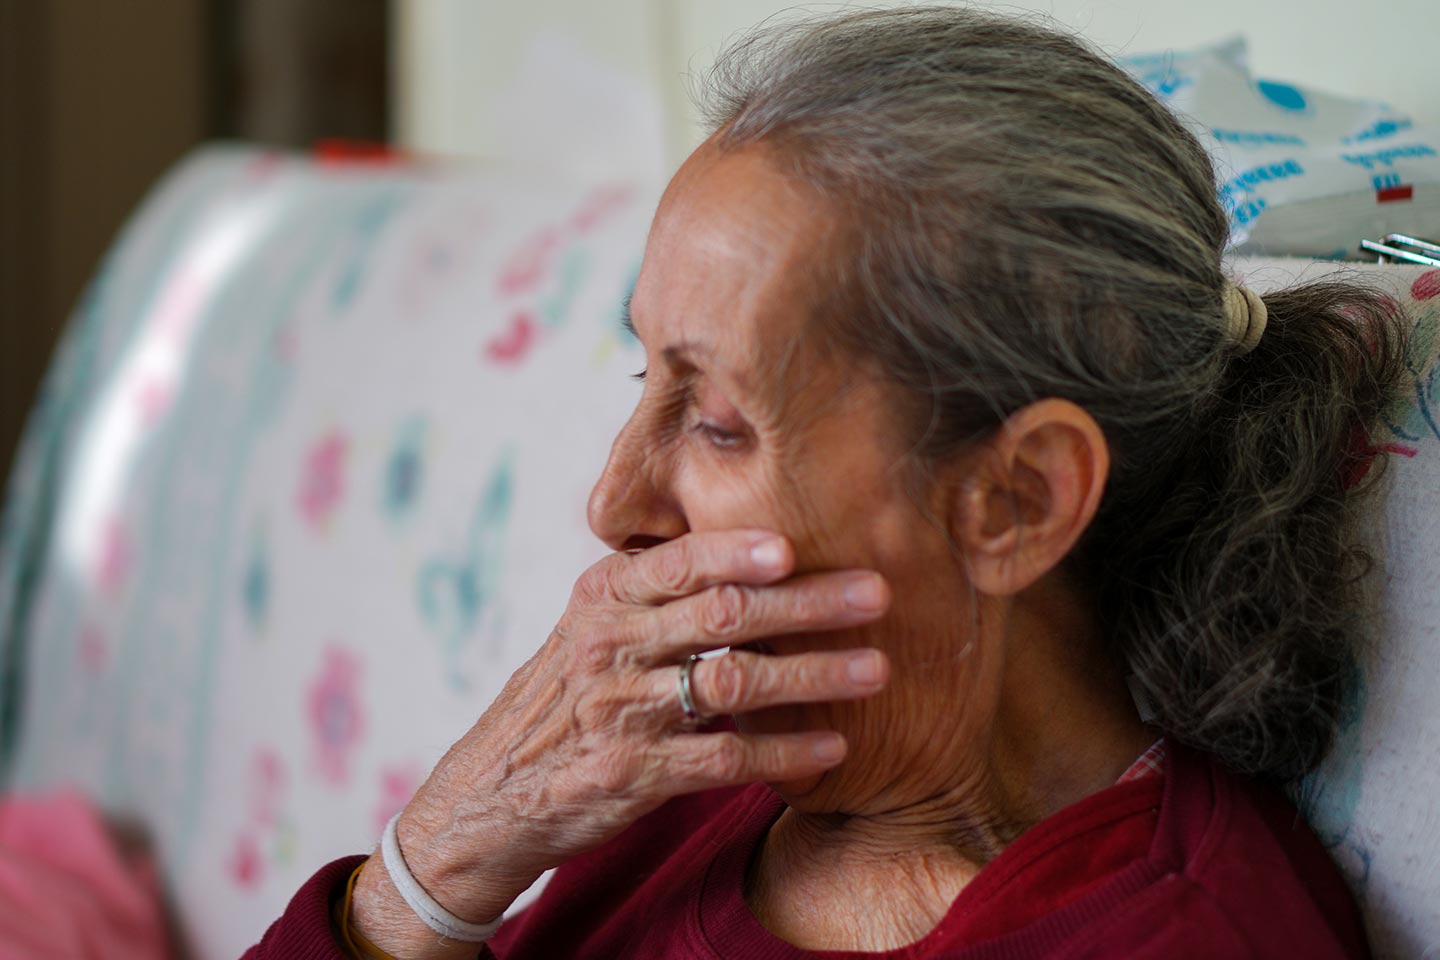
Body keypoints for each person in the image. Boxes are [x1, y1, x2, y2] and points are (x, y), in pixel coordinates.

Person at [245, 7, 1405, 958]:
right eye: (647, 371)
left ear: (1019, 500)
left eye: (715, 420)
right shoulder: (683, 771)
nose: (613, 507)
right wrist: (437, 863)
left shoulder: (1178, 937)